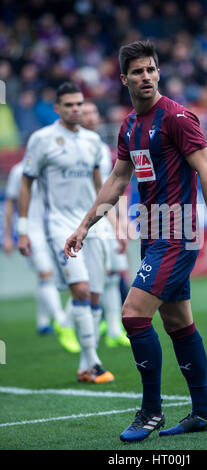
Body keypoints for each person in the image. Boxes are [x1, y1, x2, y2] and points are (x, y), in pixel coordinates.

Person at [64, 40, 207, 442]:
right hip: (151, 232)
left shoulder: (177, 117)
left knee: (133, 314)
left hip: (177, 233)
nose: (146, 77)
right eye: (137, 71)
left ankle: (151, 411)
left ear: (159, 72)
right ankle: (203, 413)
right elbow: (118, 179)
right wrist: (85, 224)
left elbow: (206, 169)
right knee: (178, 323)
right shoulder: (129, 126)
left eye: (151, 69)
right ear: (123, 79)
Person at [18, 82, 114, 384]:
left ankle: (86, 364)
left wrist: (111, 222)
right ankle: (95, 362)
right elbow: (26, 182)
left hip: (92, 224)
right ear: (57, 108)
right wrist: (22, 228)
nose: (76, 109)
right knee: (82, 290)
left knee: (96, 295)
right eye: (69, 104)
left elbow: (103, 187)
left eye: (79, 104)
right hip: (59, 225)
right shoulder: (42, 139)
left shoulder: (93, 142)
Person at [3, 159, 80, 354]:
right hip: (32, 231)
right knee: (46, 274)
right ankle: (61, 319)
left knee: (47, 276)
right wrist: (9, 235)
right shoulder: (18, 171)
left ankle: (43, 321)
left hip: (55, 229)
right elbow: (10, 203)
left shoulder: (52, 168)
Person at [80, 100, 130, 348]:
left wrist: (120, 221)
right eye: (84, 113)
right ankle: (68, 323)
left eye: (93, 112)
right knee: (87, 279)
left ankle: (112, 329)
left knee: (111, 274)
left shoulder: (105, 150)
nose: (90, 118)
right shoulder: (74, 148)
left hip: (105, 216)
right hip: (82, 218)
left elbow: (117, 189)